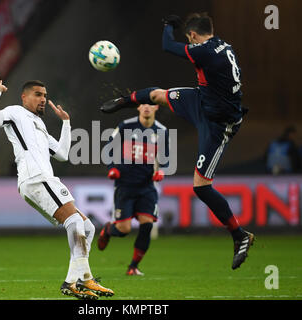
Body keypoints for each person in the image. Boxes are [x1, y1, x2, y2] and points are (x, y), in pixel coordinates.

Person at [99, 13, 254, 270]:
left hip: (218, 124)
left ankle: (239, 236)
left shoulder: (205, 52)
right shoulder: (223, 45)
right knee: (158, 94)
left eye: (188, 38)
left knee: (201, 187)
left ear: (192, 36)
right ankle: (124, 102)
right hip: (203, 101)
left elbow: (167, 46)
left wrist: (168, 27)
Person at [0, 75, 114, 300]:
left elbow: (62, 154)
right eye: (38, 95)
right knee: (74, 222)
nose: (43, 99)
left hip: (44, 178)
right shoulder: (15, 112)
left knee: (87, 227)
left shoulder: (40, 124)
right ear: (24, 97)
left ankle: (82, 279)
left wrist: (66, 123)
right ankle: (74, 281)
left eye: (45, 95)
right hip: (36, 178)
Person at [98, 104, 169, 276]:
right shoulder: (126, 125)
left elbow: (165, 157)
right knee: (124, 230)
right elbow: (109, 147)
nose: (146, 107)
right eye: (143, 104)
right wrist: (112, 167)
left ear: (156, 107)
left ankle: (133, 267)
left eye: (150, 104)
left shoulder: (161, 130)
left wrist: (161, 171)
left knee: (147, 225)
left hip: (146, 187)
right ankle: (108, 229)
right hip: (125, 185)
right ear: (138, 107)